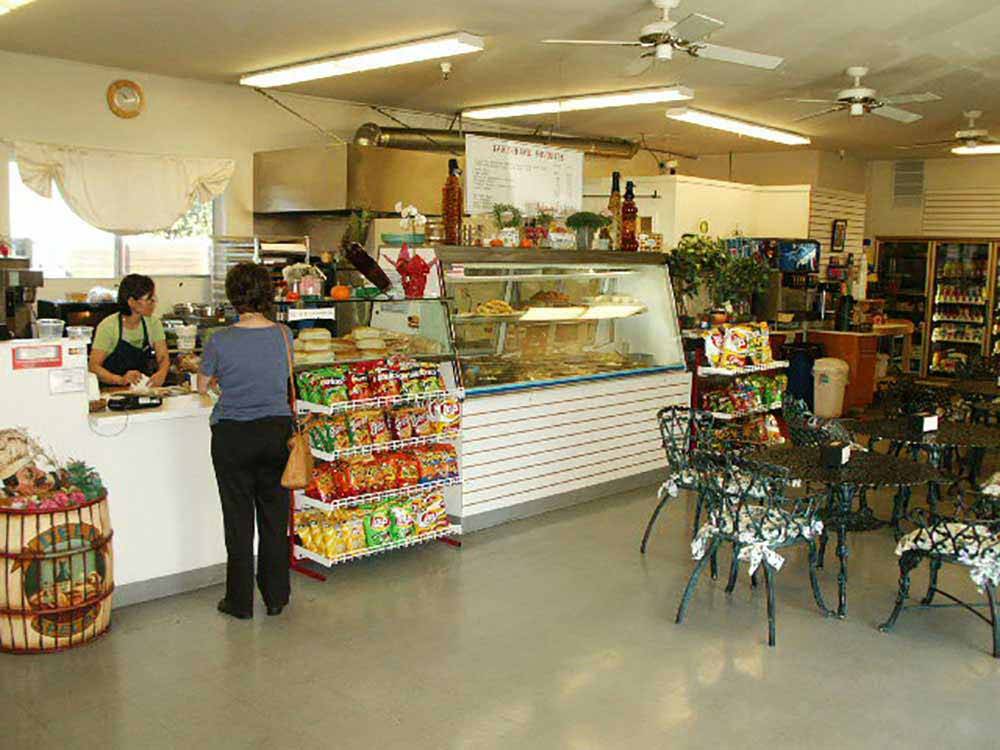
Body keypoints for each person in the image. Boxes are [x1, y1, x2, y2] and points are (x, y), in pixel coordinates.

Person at [198, 263, 293, 620]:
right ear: (267, 293)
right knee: (274, 517)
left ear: (233, 296)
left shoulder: (219, 340)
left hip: (233, 436)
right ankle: (276, 596)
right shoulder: (284, 335)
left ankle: (239, 601)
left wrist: (223, 383)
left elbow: (203, 386)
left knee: (237, 520)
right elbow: (281, 378)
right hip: (276, 432)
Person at [89, 274, 170, 387]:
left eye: (153, 298)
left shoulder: (153, 323)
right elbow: (94, 366)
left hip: (141, 388)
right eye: (149, 299)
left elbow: (163, 357)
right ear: (131, 302)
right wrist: (120, 380)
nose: (153, 302)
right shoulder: (108, 326)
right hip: (112, 391)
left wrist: (161, 373)